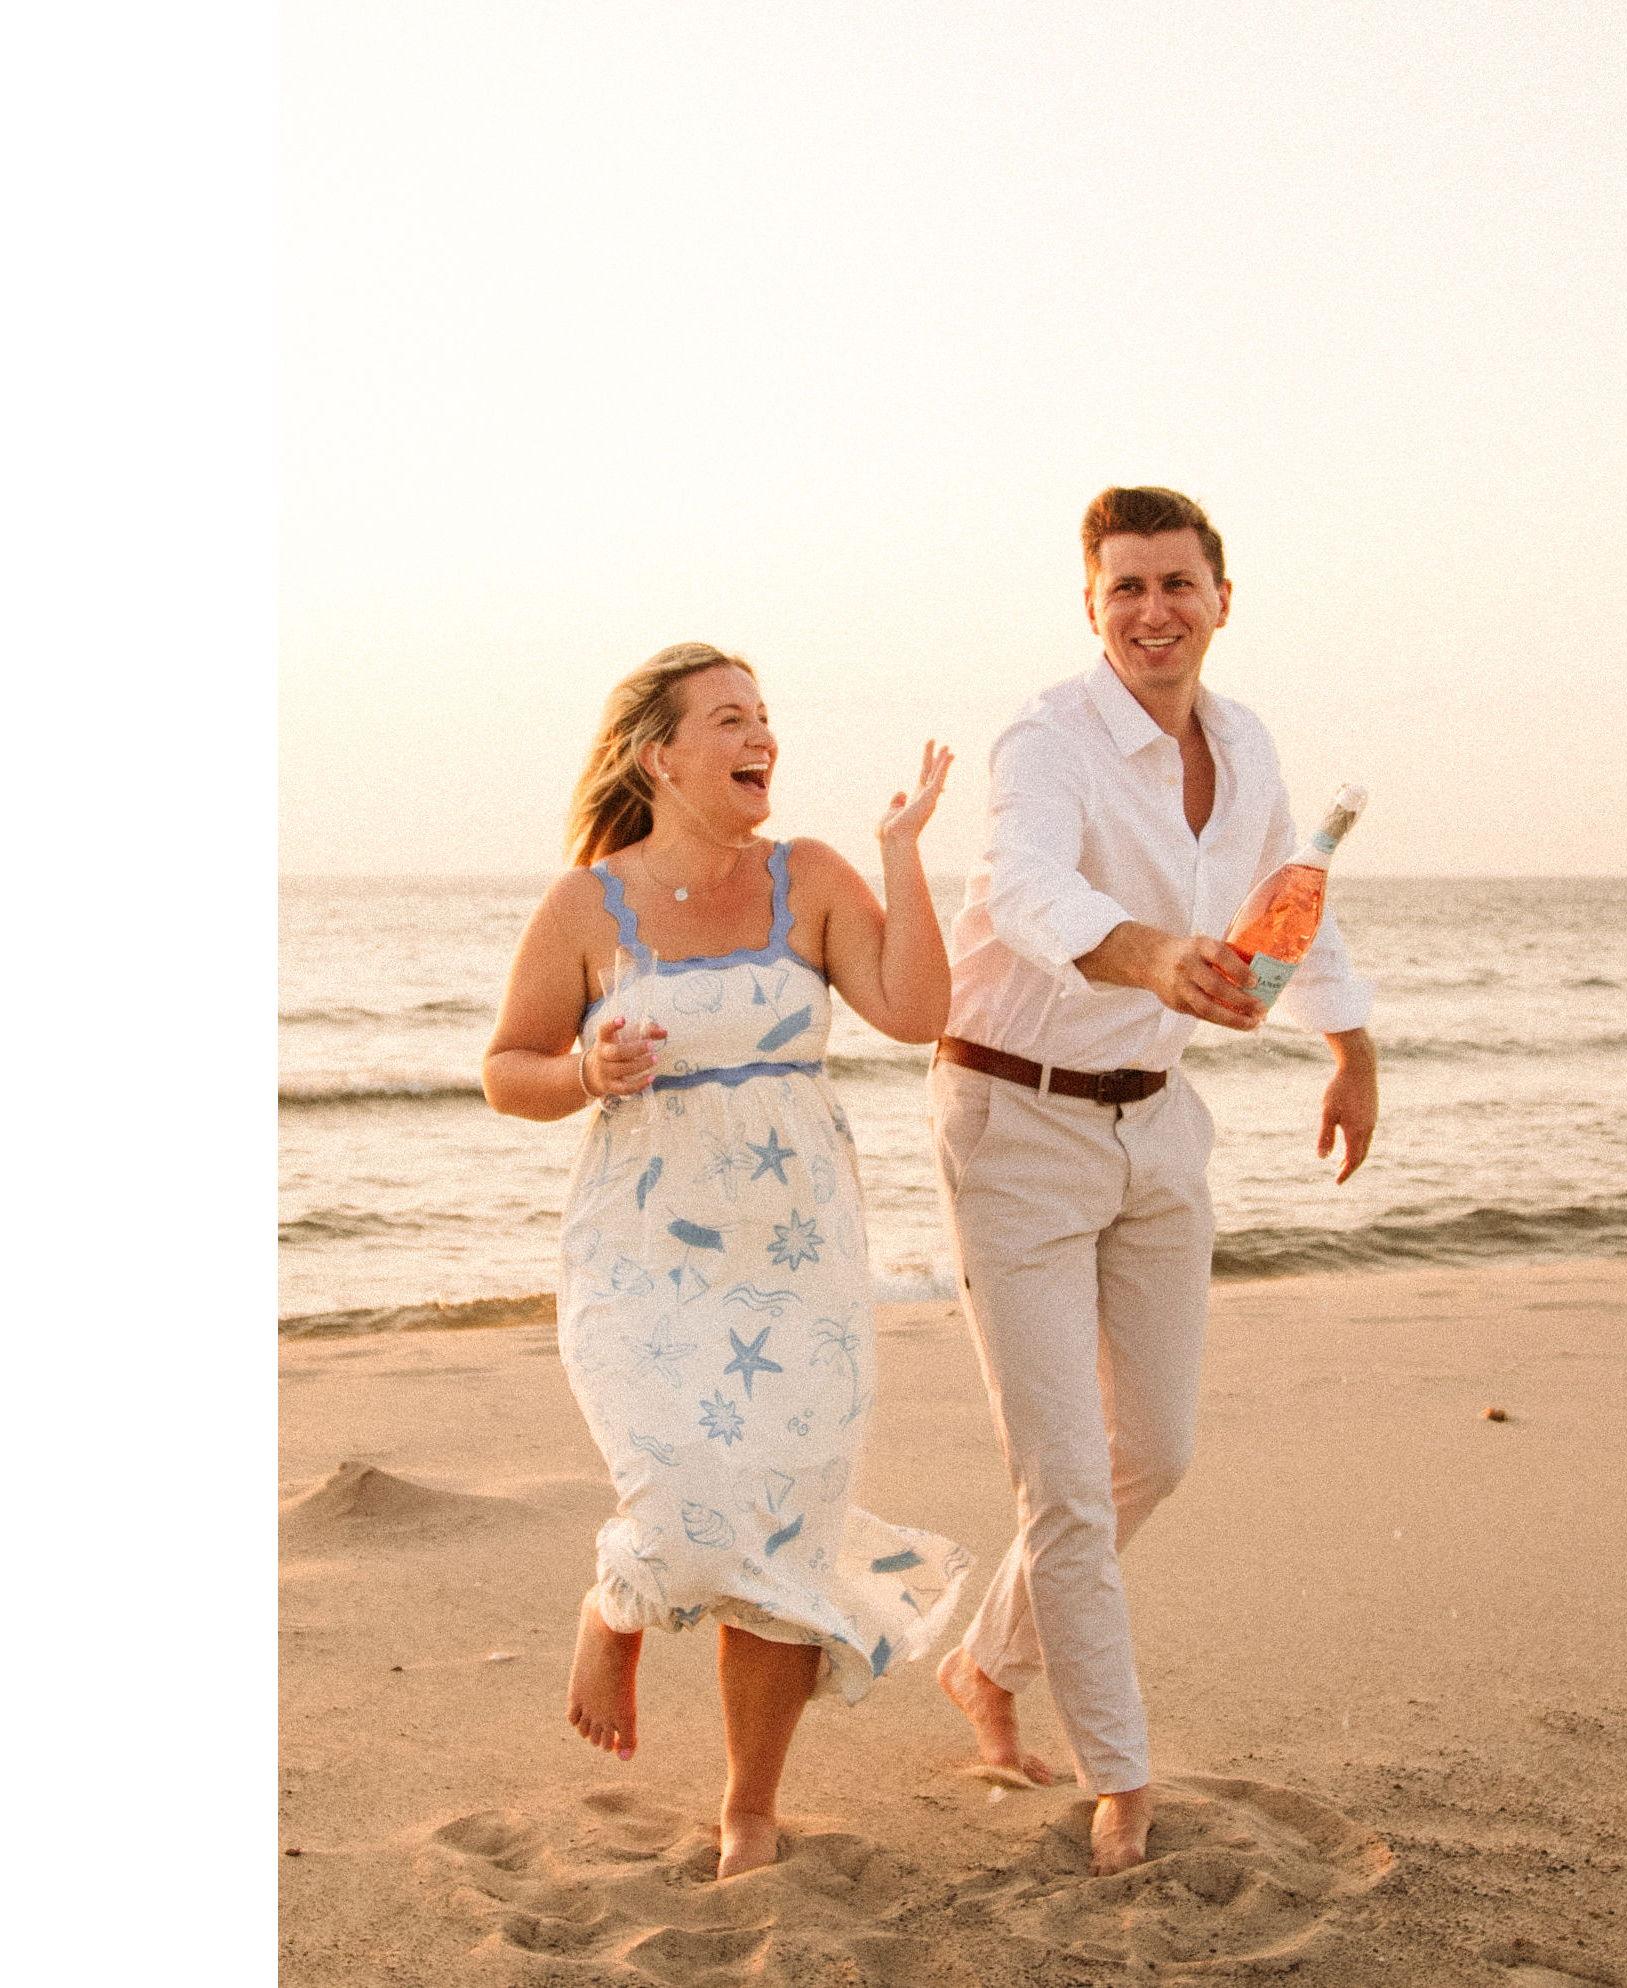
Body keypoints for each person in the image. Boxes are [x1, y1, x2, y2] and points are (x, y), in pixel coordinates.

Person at [929, 487, 1380, 1876]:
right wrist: (1150, 955)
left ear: (1221, 600)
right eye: (1123, 587)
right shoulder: (1046, 737)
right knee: (1064, 1479)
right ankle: (1119, 1778)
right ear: (1091, 606)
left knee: (1156, 1453)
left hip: (1159, 1122)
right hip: (1013, 1122)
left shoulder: (1244, 745)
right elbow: (1023, 889)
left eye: (1176, 583)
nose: (1152, 611)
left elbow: (1295, 899)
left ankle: (983, 1657)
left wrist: (1350, 1050)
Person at [484, 642, 966, 1879]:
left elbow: (916, 1012)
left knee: (784, 1528)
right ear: (660, 755)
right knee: (687, 1495)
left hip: (800, 1259)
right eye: (730, 719)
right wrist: (584, 1070)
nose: (762, 737)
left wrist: (902, 855)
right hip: (640, 1258)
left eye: (763, 717)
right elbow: (507, 1069)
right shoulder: (586, 904)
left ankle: (748, 1803)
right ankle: (617, 1600)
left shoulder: (810, 874)